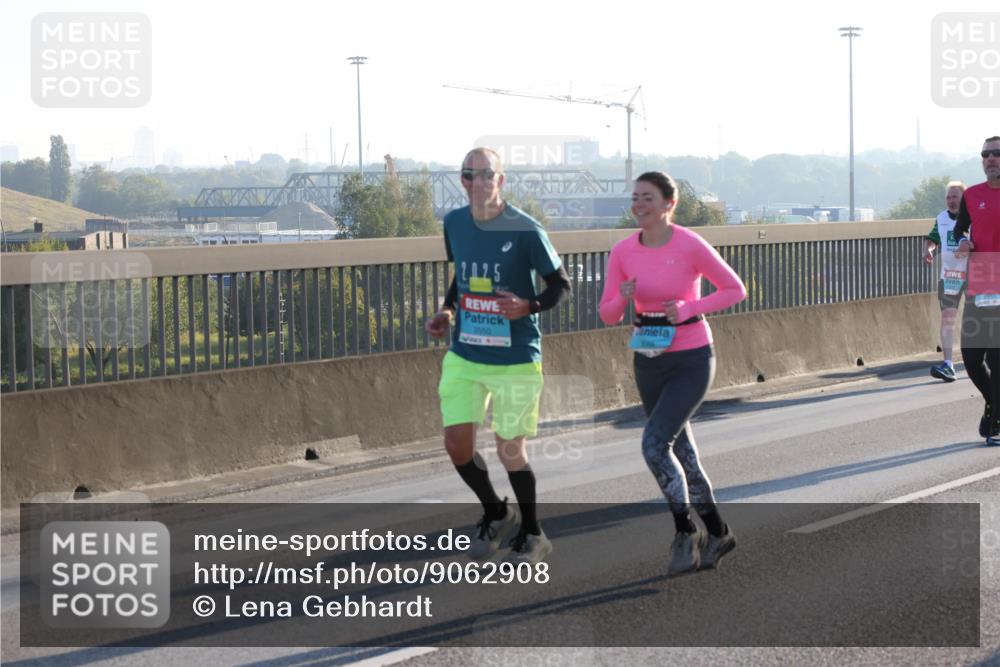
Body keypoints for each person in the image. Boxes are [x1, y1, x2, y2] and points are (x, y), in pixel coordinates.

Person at [425, 147, 572, 562]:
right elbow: (463, 278)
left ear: (501, 180)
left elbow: (560, 285)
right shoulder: (454, 222)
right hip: (466, 353)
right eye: (469, 175)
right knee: (457, 443)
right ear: (463, 181)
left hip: (516, 357)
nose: (477, 182)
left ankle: (533, 532)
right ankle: (495, 510)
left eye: (486, 174)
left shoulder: (525, 229)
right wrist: (447, 311)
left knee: (510, 449)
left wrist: (529, 306)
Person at [599, 171, 747, 575]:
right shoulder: (623, 252)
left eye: (648, 197)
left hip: (692, 357)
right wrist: (622, 298)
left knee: (653, 444)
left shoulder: (688, 244)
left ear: (669, 204)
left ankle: (685, 532)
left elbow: (735, 289)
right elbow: (607, 313)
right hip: (648, 356)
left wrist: (688, 309)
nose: (639, 204)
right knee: (682, 453)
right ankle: (718, 532)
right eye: (636, 197)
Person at [955, 136, 1000, 446]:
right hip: (979, 284)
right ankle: (995, 405)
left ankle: (994, 422)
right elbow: (960, 228)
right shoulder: (972, 195)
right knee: (971, 359)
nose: (990, 159)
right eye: (985, 154)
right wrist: (962, 241)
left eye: (996, 154)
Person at [923, 181, 968, 382]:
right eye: (948, 197)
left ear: (963, 198)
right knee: (947, 319)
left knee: (984, 320)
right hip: (950, 276)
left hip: (975, 274)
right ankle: (949, 365)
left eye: (955, 197)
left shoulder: (973, 217)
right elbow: (933, 238)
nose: (950, 201)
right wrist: (929, 250)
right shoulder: (941, 218)